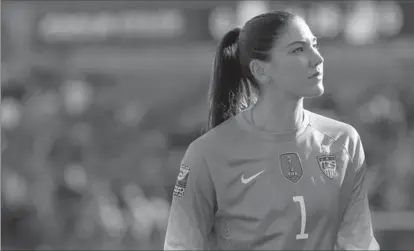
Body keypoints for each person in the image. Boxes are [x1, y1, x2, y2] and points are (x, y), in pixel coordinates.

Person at [164, 10, 379, 250]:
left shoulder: (343, 141)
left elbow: (359, 242)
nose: (317, 58)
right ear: (261, 70)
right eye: (298, 49)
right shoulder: (207, 153)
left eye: (314, 45)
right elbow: (180, 245)